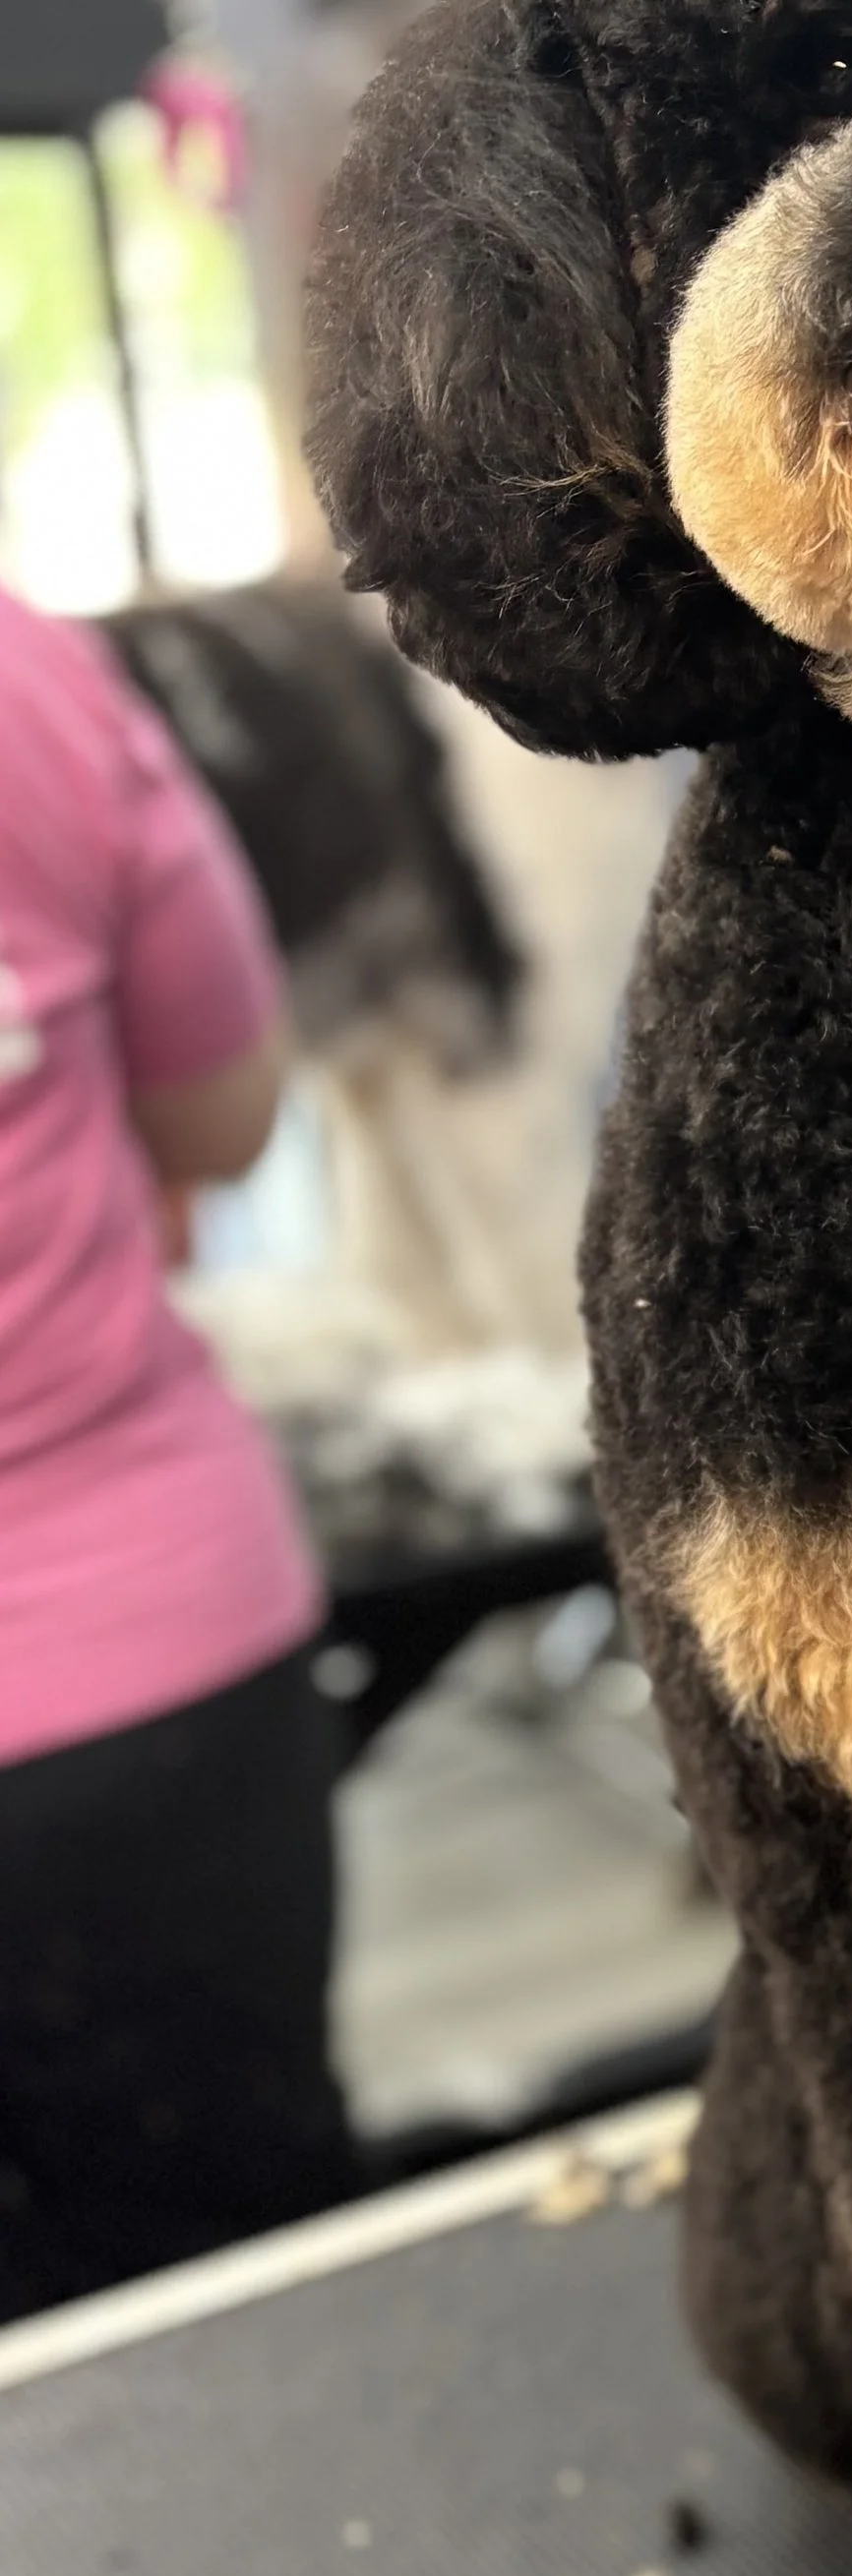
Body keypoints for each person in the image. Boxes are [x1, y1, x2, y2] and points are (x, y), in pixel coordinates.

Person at [0, 580, 354, 2319]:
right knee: (240, 2340)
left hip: (140, 1684)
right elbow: (220, 1115)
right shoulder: (26, 676)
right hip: (144, 1684)